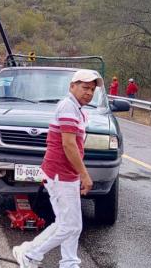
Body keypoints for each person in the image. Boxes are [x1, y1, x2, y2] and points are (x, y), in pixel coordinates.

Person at [12, 69, 102, 268]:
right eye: (85, 87)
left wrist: (78, 174)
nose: (89, 92)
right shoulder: (68, 107)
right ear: (72, 86)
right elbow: (68, 145)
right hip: (60, 174)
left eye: (92, 90)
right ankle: (30, 254)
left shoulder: (77, 109)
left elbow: (74, 146)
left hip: (66, 173)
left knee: (72, 224)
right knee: (68, 225)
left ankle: (69, 263)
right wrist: (85, 175)